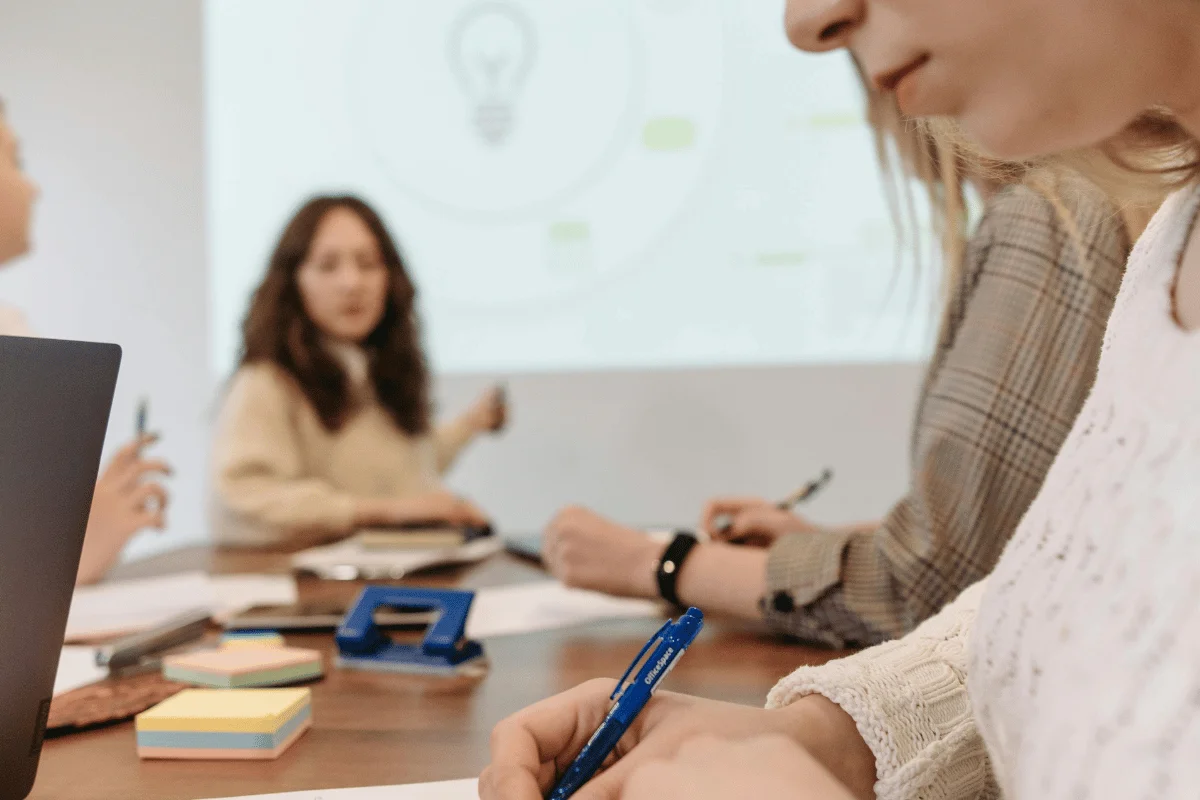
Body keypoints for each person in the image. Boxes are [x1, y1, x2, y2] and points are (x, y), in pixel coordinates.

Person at [480, 0, 1200, 796]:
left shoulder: (1063, 218)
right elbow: (1086, 602)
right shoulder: (1172, 243)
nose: (806, 21)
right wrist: (824, 735)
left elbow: (938, 573)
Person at [541, 86, 1144, 648]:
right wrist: (828, 548)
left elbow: (931, 588)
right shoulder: (1075, 203)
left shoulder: (1052, 215)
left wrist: (660, 564)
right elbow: (1005, 544)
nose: (809, 25)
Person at [211, 195, 505, 549]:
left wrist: (470, 425)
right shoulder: (266, 382)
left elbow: (405, 471)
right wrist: (383, 512)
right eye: (327, 265)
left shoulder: (376, 371)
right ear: (293, 280)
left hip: (404, 574)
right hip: (317, 591)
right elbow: (245, 492)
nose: (352, 283)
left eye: (368, 264)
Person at [0, 101, 170, 586]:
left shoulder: (12, 328)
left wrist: (81, 535)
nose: (34, 188)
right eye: (16, 162)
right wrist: (70, 548)